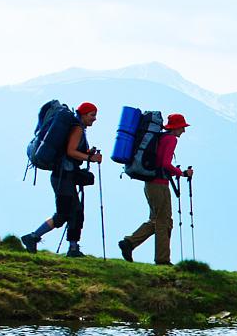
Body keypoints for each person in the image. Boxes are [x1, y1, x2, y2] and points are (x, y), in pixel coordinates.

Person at [22, 102, 103, 256]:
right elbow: (71, 152)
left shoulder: (76, 126)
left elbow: (69, 150)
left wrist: (87, 153)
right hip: (63, 177)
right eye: (92, 115)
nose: (94, 119)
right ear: (84, 114)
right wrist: (90, 158)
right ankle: (33, 237)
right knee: (64, 213)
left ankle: (73, 248)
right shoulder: (77, 128)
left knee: (75, 212)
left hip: (63, 176)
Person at [117, 113, 192, 264]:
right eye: (182, 127)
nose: (183, 131)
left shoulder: (161, 137)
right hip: (159, 185)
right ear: (176, 127)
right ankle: (161, 259)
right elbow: (165, 163)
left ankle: (130, 243)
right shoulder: (171, 139)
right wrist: (182, 173)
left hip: (150, 183)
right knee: (163, 221)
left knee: (157, 220)